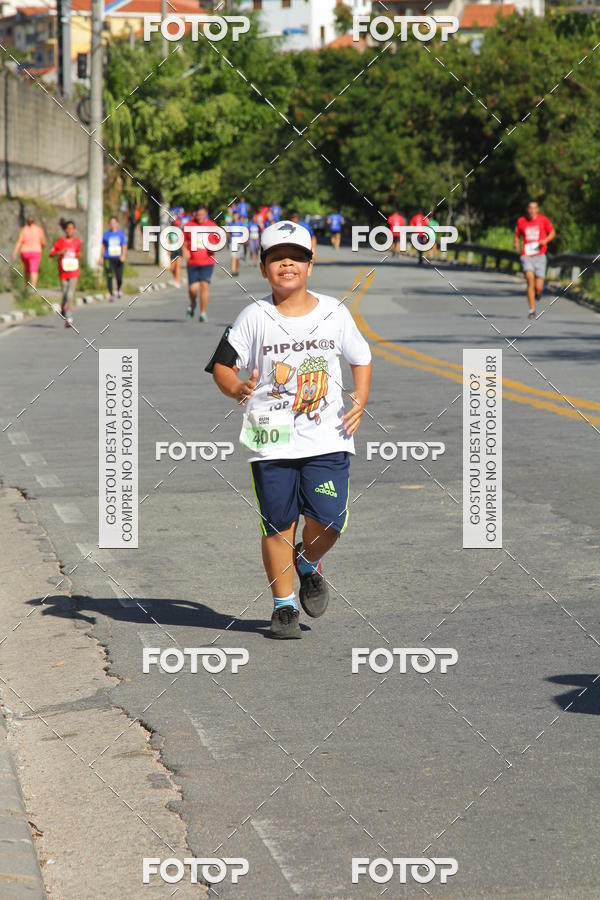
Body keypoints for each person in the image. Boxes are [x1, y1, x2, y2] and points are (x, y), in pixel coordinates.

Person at [206, 220, 373, 639]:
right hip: (269, 430)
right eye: (277, 258)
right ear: (262, 268)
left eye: (296, 258)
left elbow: (361, 355)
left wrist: (361, 398)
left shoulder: (334, 312)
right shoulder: (254, 315)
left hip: (328, 433)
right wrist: (236, 388)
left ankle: (308, 562)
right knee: (277, 524)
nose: (287, 265)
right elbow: (222, 366)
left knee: (331, 519)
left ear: (310, 265)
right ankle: (283, 608)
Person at [514, 201, 556, 320]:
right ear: (527, 209)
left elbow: (552, 232)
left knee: (539, 286)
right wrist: (516, 242)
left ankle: (538, 292)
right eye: (530, 208)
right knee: (529, 279)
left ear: (537, 210)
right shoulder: (521, 221)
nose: (532, 210)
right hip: (527, 255)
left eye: (534, 208)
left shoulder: (543, 220)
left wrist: (546, 240)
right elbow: (517, 234)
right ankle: (532, 310)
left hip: (540, 255)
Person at [182, 205, 221, 322]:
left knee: (204, 286)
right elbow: (182, 241)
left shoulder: (212, 226)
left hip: (207, 261)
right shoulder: (188, 226)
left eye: (202, 214)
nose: (200, 217)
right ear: (195, 214)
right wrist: (185, 251)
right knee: (193, 289)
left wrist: (214, 247)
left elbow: (220, 241)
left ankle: (203, 313)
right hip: (192, 262)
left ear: (206, 214)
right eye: (198, 215)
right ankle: (193, 303)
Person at [49, 219, 81, 328]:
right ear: (65, 230)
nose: (70, 231)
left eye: (72, 228)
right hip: (63, 272)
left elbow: (78, 253)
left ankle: (69, 317)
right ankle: (63, 307)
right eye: (68, 229)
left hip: (74, 271)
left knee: (70, 294)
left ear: (74, 230)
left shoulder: (77, 242)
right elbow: (51, 253)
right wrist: (60, 252)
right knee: (65, 294)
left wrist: (79, 255)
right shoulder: (60, 241)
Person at [12, 216, 46, 289]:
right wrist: (42, 247)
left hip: (25, 252)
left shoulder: (24, 230)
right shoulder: (39, 230)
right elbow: (43, 242)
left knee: (27, 269)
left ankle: (27, 287)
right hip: (36, 251)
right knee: (34, 270)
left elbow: (19, 242)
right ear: (34, 221)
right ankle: (33, 287)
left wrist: (14, 252)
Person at [99, 215, 128, 301]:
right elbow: (103, 246)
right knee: (109, 276)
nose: (112, 224)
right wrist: (100, 257)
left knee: (119, 276)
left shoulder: (121, 234)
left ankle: (119, 289)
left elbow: (124, 246)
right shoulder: (106, 234)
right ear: (109, 224)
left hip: (118, 258)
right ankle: (111, 293)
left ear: (117, 224)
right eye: (111, 223)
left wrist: (123, 255)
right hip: (108, 258)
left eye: (114, 222)